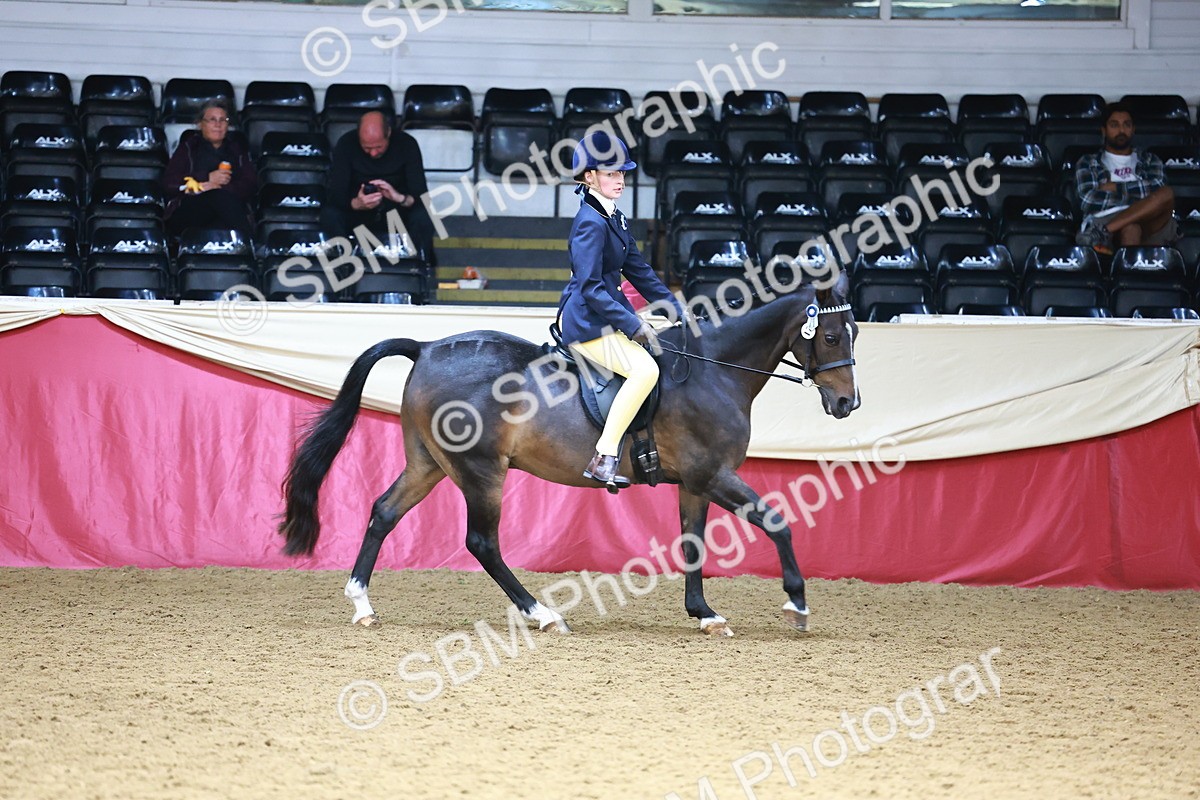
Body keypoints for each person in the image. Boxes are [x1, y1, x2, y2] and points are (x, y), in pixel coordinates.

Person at [558, 131, 687, 488]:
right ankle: (605, 455)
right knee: (645, 370)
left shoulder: (614, 217)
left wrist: (675, 309)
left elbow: (639, 270)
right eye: (612, 174)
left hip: (608, 317)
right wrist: (631, 323)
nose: (621, 181)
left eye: (623, 174)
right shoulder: (589, 222)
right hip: (587, 324)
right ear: (589, 177)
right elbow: (590, 287)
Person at [320, 110, 437, 271]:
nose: (373, 153)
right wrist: (355, 203)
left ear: (388, 133)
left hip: (396, 213)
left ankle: (419, 269)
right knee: (330, 214)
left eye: (379, 147)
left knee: (422, 215)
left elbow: (421, 196)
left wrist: (399, 198)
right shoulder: (347, 143)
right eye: (367, 148)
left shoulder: (406, 144)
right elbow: (334, 193)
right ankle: (341, 269)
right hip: (357, 214)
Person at [1075, 102, 1176, 252]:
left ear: (1133, 129)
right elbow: (1088, 200)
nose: (1121, 130)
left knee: (1167, 193)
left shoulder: (1149, 160)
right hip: (1105, 217)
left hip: (1149, 220)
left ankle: (1102, 232)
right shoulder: (1089, 162)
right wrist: (1140, 199)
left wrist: (1116, 187)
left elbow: (1159, 188)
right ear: (1104, 130)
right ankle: (1131, 273)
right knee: (1131, 228)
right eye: (1114, 125)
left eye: (1127, 125)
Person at [162, 99, 256, 236]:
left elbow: (251, 185)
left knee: (219, 198)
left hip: (227, 211)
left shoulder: (237, 150)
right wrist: (206, 178)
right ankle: (249, 242)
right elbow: (169, 183)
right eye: (212, 119)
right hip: (191, 211)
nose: (218, 124)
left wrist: (219, 188)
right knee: (217, 198)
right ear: (200, 124)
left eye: (223, 120)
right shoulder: (188, 147)